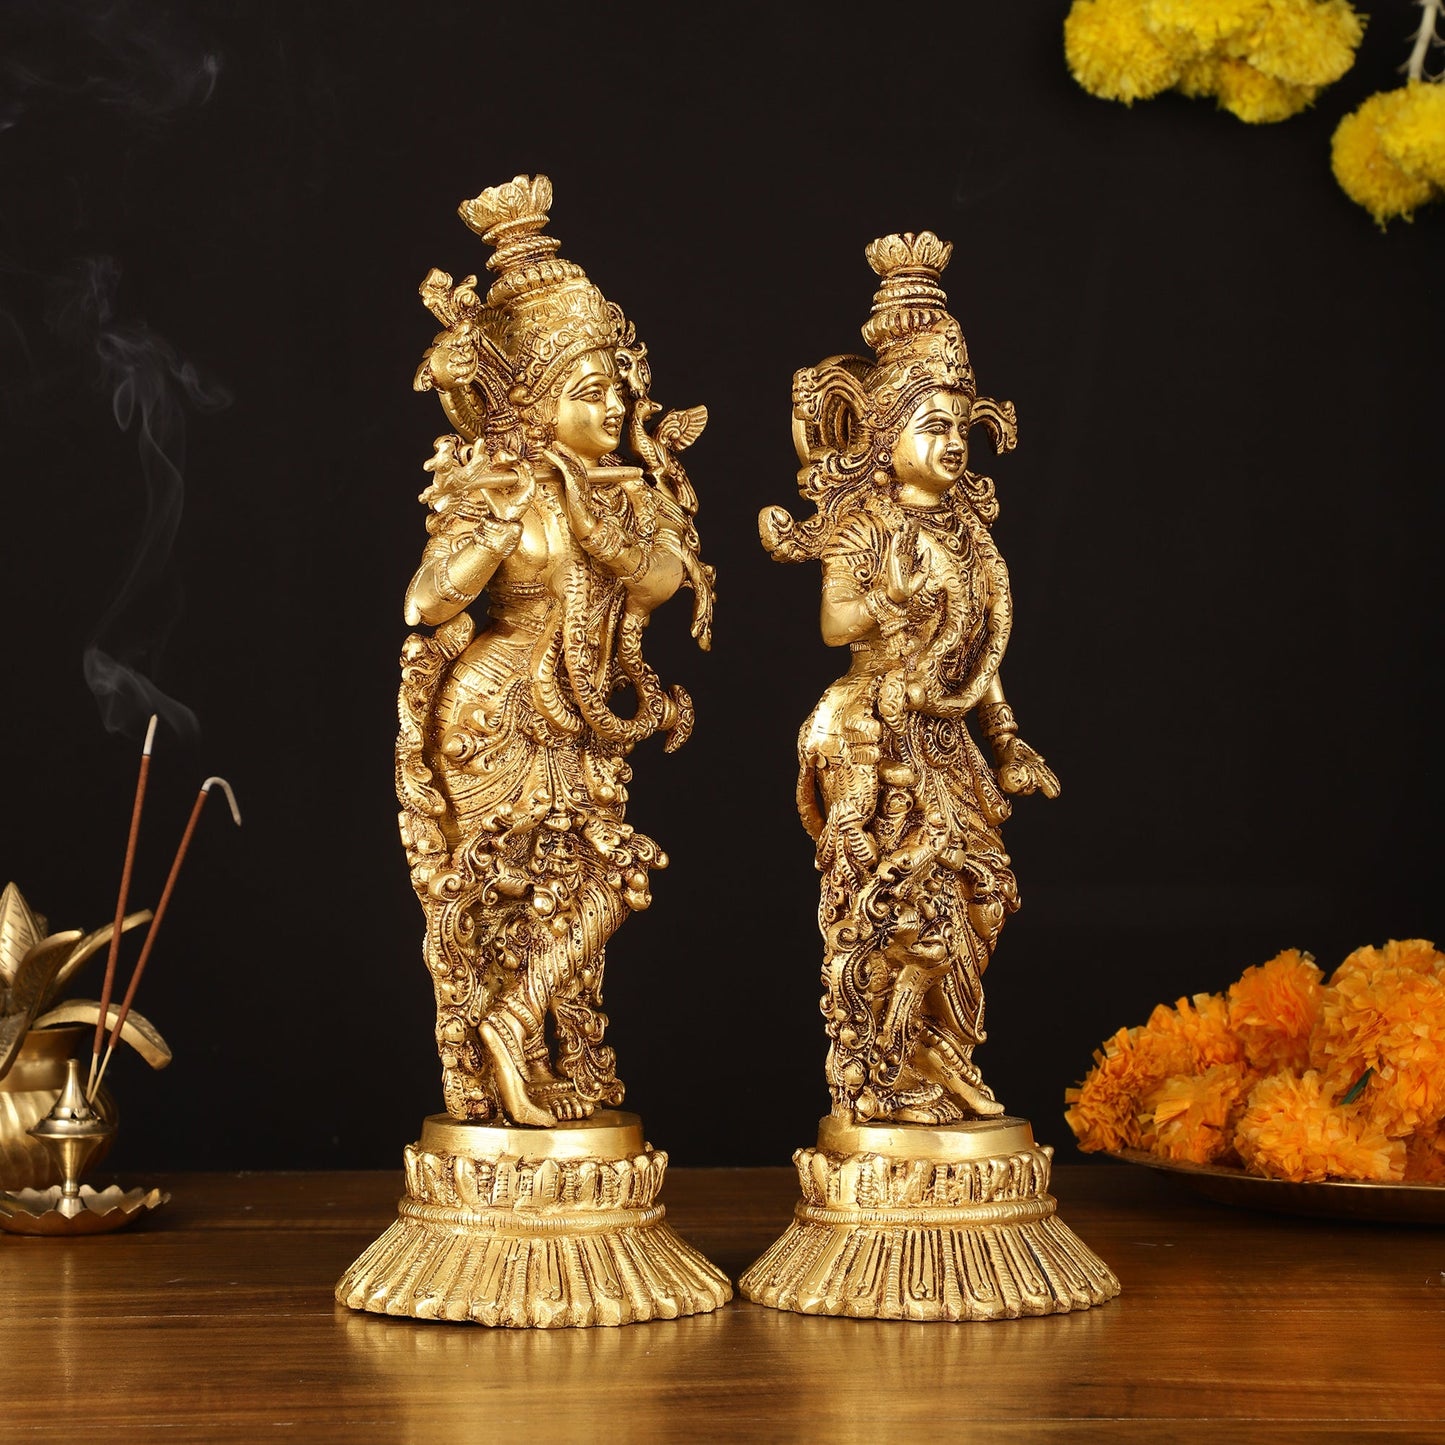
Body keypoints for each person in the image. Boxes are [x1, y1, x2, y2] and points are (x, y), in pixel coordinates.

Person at [398, 175, 713, 1126]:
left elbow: (662, 581)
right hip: (495, 712)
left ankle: (526, 1030)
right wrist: (492, 529)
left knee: (594, 882)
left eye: (618, 386)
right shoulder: (501, 488)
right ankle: (498, 1045)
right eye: (587, 390)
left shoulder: (630, 494)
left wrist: (594, 516)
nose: (613, 405)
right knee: (501, 893)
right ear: (534, 406)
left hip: (579, 716)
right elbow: (425, 601)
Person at [761, 229, 1056, 1126]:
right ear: (884, 439)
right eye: (931, 427)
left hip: (947, 730)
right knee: (895, 898)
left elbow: (982, 653)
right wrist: (893, 599)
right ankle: (890, 1066)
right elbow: (834, 624)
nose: (952, 443)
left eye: (959, 427)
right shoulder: (864, 525)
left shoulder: (971, 536)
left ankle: (942, 1046)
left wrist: (1006, 738)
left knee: (983, 892)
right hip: (872, 725)